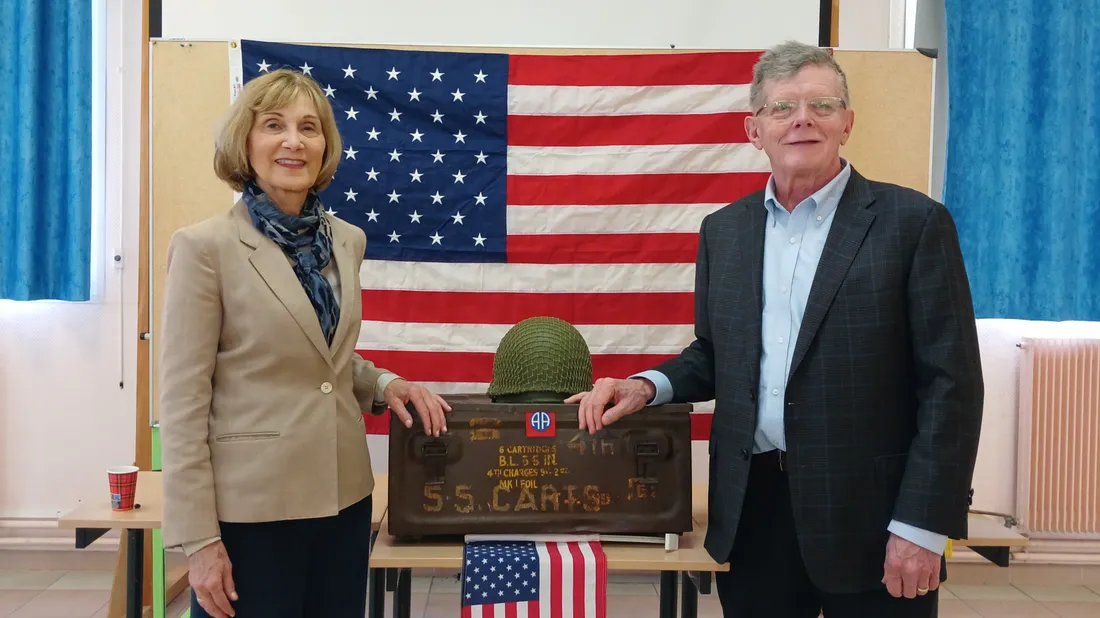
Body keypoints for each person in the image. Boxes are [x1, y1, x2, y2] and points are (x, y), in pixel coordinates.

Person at [566, 41, 984, 618]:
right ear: (754, 129)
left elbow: (951, 388)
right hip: (754, 512)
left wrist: (922, 525)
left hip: (873, 519)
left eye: (822, 105)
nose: (803, 120)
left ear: (847, 123)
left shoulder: (914, 225)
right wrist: (646, 385)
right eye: (783, 108)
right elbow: (716, 354)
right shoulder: (724, 231)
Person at [157, 68, 450, 618]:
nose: (293, 141)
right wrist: (198, 541)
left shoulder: (347, 240)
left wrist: (387, 383)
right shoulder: (205, 248)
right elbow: (182, 403)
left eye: (309, 128)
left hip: (344, 499)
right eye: (274, 125)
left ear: (325, 146)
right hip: (251, 510)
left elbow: (322, 354)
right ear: (245, 141)